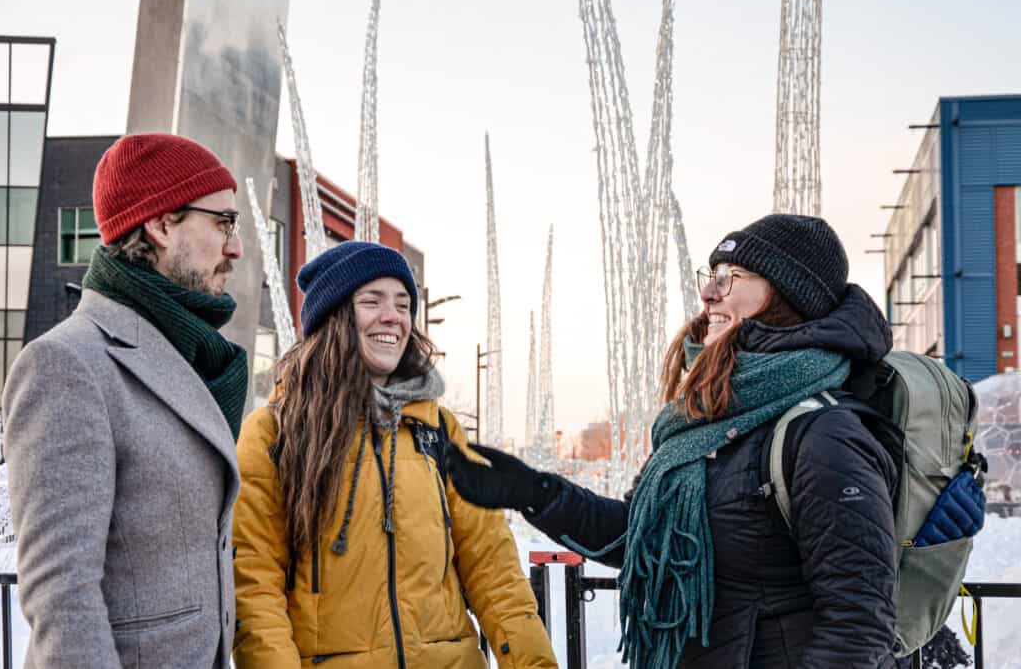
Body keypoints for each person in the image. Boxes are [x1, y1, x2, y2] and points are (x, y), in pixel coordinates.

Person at [449, 214, 900, 668]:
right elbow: (638, 537)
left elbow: (859, 624)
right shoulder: (701, 422)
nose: (709, 293)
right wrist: (536, 493)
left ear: (786, 296)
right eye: (712, 276)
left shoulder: (824, 434)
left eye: (732, 277)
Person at [231, 241, 557, 668]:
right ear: (334, 317)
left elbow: (494, 572)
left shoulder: (440, 432)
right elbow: (254, 591)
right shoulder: (275, 433)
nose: (394, 317)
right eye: (372, 301)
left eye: (403, 304)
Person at [3, 133, 246, 668]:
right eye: (223, 223)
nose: (237, 247)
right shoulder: (67, 364)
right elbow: (62, 601)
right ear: (162, 224)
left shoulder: (192, 357)